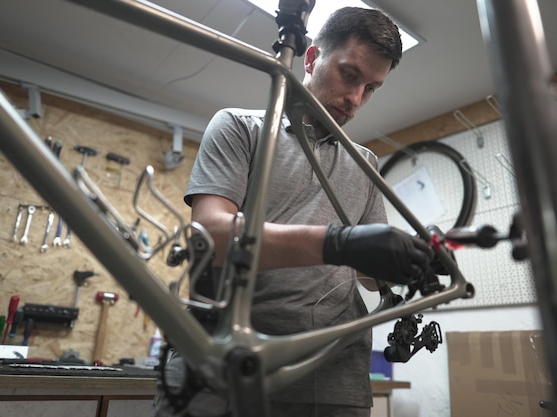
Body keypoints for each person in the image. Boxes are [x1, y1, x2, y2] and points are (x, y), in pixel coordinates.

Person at [153, 6, 438, 417]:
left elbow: (371, 278)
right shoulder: (239, 128)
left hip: (332, 377)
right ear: (311, 58)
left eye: (371, 88)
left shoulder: (365, 164)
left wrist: (412, 261)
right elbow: (210, 236)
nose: (356, 99)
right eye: (350, 75)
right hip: (223, 368)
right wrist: (338, 243)